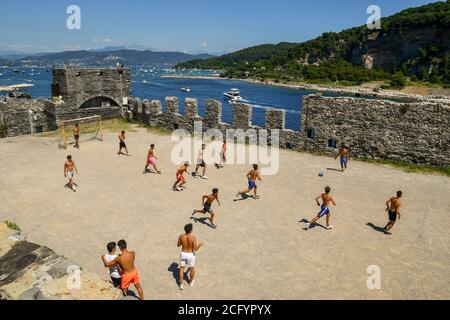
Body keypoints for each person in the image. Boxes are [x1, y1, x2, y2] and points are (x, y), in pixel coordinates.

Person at [177, 224, 204, 290]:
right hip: (190, 254)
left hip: (183, 253)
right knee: (192, 268)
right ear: (191, 230)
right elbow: (195, 249)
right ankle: (191, 282)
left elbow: (178, 245)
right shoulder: (193, 238)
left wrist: (182, 242)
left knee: (181, 268)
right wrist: (200, 245)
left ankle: (181, 285)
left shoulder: (181, 236)